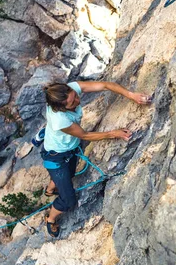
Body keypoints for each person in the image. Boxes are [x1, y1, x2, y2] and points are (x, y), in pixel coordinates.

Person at [40, 80, 152, 238]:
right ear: (60, 107)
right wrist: (113, 134)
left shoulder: (69, 90)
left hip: (67, 149)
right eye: (73, 103)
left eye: (75, 97)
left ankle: (51, 189)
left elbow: (104, 85)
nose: (78, 101)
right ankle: (50, 219)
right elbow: (85, 135)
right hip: (56, 156)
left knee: (69, 174)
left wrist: (131, 95)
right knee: (68, 200)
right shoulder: (60, 119)